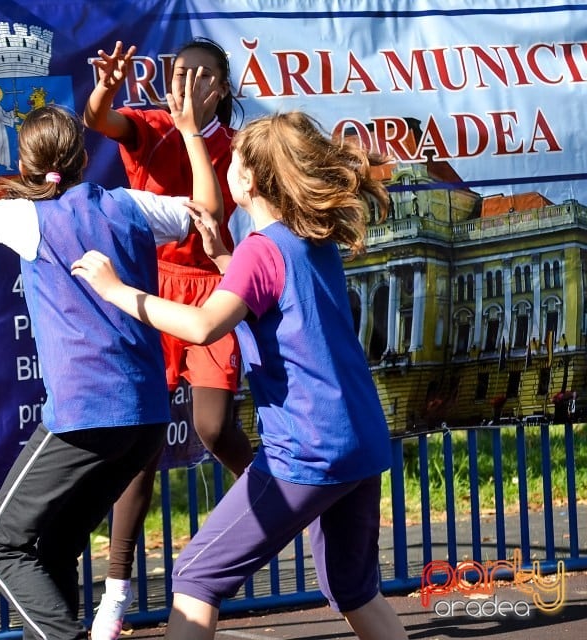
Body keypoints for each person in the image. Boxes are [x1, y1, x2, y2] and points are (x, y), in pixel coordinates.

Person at [71, 111, 408, 640]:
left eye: (235, 164)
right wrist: (223, 257)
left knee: (196, 575)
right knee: (353, 586)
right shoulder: (309, 239)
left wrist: (117, 292)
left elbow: (205, 326)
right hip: (361, 442)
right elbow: (276, 296)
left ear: (247, 180)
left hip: (308, 449)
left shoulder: (262, 248)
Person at [0, 70, 220, 640]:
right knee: (55, 544)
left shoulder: (26, 219)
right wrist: (190, 132)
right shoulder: (130, 206)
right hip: (146, 419)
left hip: (86, 418)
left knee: (3, 545)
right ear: (83, 161)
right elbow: (208, 208)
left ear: (26, 169)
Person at [82, 37, 254, 638]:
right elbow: (98, 118)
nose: (188, 81)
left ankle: (288, 509)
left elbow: (217, 212)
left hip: (210, 287)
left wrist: (191, 133)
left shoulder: (235, 148)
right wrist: (106, 85)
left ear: (221, 89)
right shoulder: (150, 124)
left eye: (202, 75)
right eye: (180, 71)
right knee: (141, 445)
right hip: (149, 290)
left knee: (212, 427)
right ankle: (116, 593)